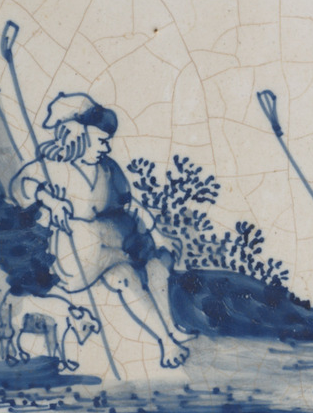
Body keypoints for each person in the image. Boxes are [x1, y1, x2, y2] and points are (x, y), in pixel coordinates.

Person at [10, 92, 194, 369]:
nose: (106, 148)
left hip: (107, 253)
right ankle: (168, 336)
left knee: (134, 272)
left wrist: (157, 235)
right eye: (101, 140)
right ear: (79, 135)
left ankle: (168, 340)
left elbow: (130, 204)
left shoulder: (107, 169)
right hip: (74, 258)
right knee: (106, 243)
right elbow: (20, 186)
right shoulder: (53, 167)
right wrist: (50, 200)